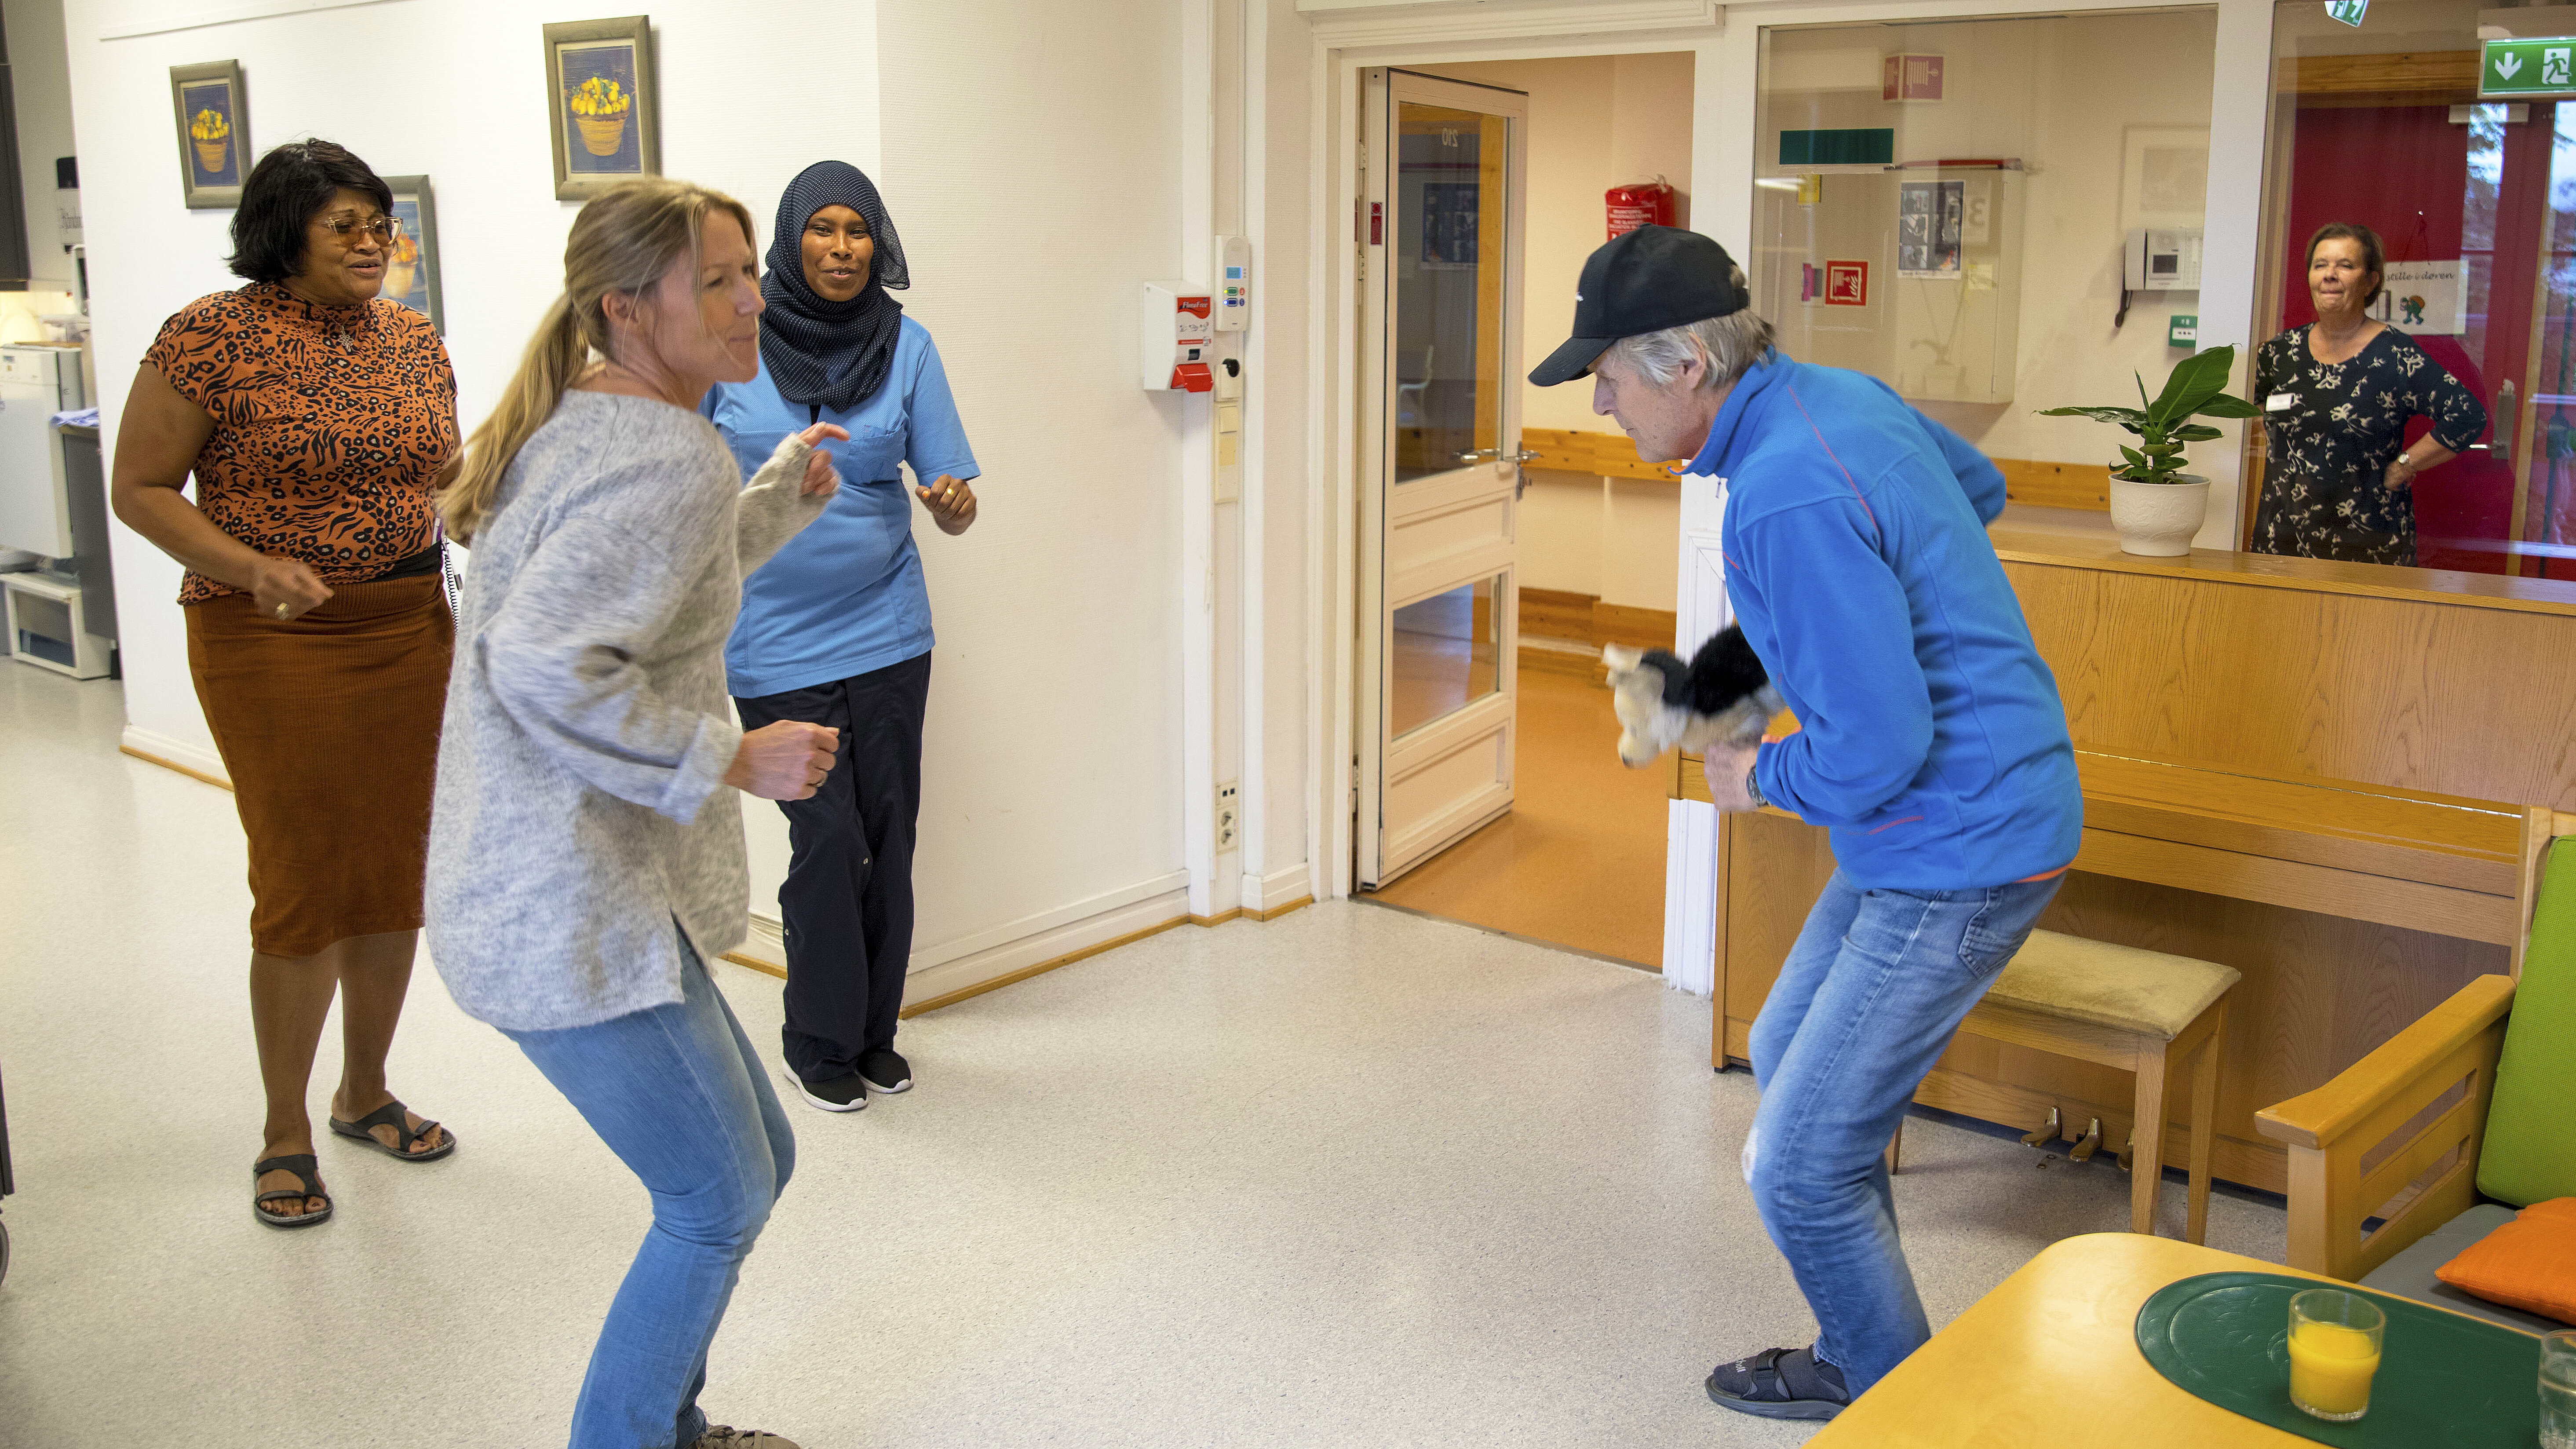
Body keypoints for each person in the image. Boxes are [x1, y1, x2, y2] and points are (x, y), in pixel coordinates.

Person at [1527, 226, 2083, 1420]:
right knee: (1788, 1058)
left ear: (1686, 366)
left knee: (1797, 1159)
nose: (1603, 396)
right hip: (1945, 826)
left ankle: (1891, 1393)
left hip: (1959, 844)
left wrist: (1756, 778)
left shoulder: (1778, 489)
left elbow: (1880, 745)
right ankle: (1866, 1342)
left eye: (1610, 371)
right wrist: (1828, 636)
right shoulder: (1834, 398)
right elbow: (1972, 490)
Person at [427, 178, 845, 1449]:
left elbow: (637, 586)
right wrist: (731, 755)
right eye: (715, 278)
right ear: (627, 306)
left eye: (746, 269)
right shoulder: (667, 449)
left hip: (564, 885)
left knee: (756, 1152)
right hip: (562, 899)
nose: (750, 298)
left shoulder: (592, 419)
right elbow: (548, 662)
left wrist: (772, 503)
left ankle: (666, 1422)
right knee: (716, 1195)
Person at [109, 139, 459, 1230]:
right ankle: (284, 1129)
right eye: (343, 223)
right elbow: (139, 485)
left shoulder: (412, 336)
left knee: (393, 867)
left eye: (379, 221)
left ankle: (365, 1091)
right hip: (272, 636)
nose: (370, 242)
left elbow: (441, 467)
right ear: (281, 231)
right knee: (304, 873)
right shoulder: (209, 337)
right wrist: (250, 564)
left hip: (410, 623)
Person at [701, 161, 980, 1112]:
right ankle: (815, 1039)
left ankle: (873, 1034)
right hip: (773, 636)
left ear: (879, 244)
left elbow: (954, 501)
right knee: (826, 841)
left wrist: (949, 504)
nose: (842, 247)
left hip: (890, 628)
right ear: (789, 240)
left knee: (886, 836)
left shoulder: (909, 349)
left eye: (858, 231)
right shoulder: (732, 345)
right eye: (821, 229)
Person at [2252, 222, 2488, 566]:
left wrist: (2404, 466)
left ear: (2371, 281)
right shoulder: (2278, 352)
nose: (2330, 275)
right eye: (2321, 265)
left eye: (2345, 265)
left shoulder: (2396, 355)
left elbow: (2467, 416)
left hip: (2365, 543)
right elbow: (2263, 414)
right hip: (2282, 537)